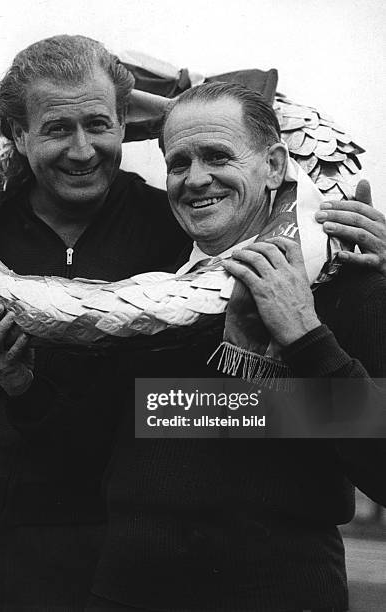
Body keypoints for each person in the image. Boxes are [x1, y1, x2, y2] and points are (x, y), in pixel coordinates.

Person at [0, 35, 189, 610]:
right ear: (18, 135)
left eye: (99, 124)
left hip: (78, 536)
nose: (82, 150)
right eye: (56, 129)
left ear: (126, 121)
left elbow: (180, 401)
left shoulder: (168, 228)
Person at [78, 83, 386, 611]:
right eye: (179, 163)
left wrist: (306, 339)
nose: (196, 179)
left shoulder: (350, 284)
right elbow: (99, 437)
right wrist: (22, 389)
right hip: (127, 591)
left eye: (218, 156)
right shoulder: (138, 288)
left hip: (279, 593)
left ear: (274, 165)